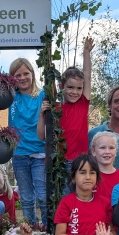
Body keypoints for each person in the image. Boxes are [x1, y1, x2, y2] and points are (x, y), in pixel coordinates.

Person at [0, 52, 46, 226]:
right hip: (19, 154)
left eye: (26, 73)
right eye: (18, 75)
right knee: (25, 197)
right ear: (12, 79)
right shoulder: (10, 94)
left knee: (42, 196)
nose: (23, 78)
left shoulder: (42, 95)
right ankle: (30, 228)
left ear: (33, 74)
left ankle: (48, 229)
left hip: (40, 153)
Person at [38, 37, 94, 165]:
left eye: (79, 88)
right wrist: (41, 115)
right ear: (62, 86)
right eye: (70, 87)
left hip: (79, 161)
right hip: (59, 162)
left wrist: (86, 52)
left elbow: (87, 76)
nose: (75, 92)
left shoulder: (82, 104)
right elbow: (41, 136)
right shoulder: (55, 108)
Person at [90, 131, 119, 198]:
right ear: (93, 151)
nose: (107, 152)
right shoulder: (89, 177)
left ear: (116, 151)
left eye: (111, 148)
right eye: (102, 147)